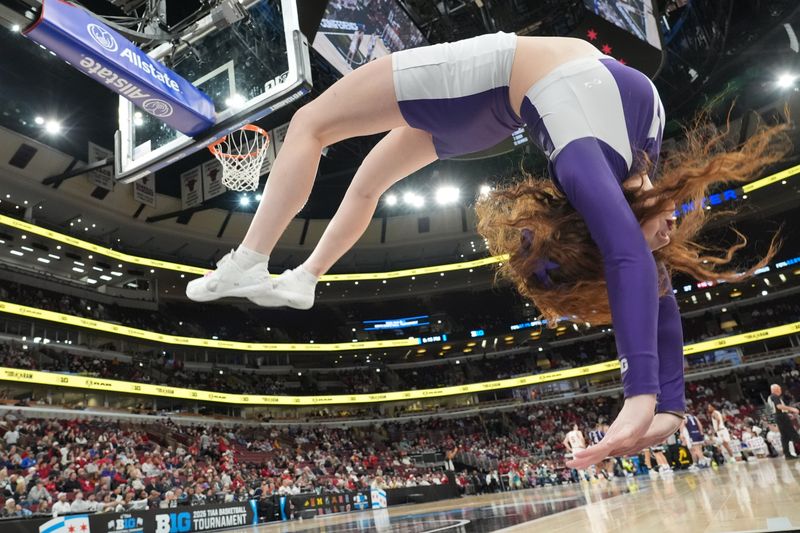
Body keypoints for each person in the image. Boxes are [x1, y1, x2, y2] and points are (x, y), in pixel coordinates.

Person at [186, 32, 786, 465]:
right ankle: (308, 274)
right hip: (489, 111)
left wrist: (641, 395)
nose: (666, 243)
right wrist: (671, 408)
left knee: (313, 123)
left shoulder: (588, 167)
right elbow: (650, 283)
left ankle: (248, 260)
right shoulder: (637, 160)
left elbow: (631, 260)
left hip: (482, 82)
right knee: (369, 181)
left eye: (645, 240)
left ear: (610, 228)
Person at [767, 384, 800, 459]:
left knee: (785, 437)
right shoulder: (774, 396)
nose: (780, 390)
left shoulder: (770, 397)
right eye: (779, 389)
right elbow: (779, 406)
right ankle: (787, 454)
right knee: (793, 433)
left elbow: (776, 409)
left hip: (778, 416)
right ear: (775, 390)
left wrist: (786, 413)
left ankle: (787, 454)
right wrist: (792, 409)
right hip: (781, 417)